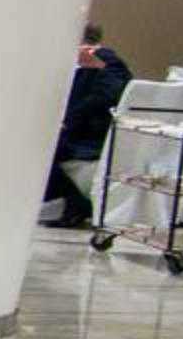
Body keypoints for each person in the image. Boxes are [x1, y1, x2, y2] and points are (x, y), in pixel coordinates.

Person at [43, 23, 130, 229]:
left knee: (37, 151)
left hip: (86, 134)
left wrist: (67, 121)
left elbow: (110, 93)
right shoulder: (78, 62)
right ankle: (73, 202)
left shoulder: (105, 58)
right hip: (75, 131)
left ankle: (77, 202)